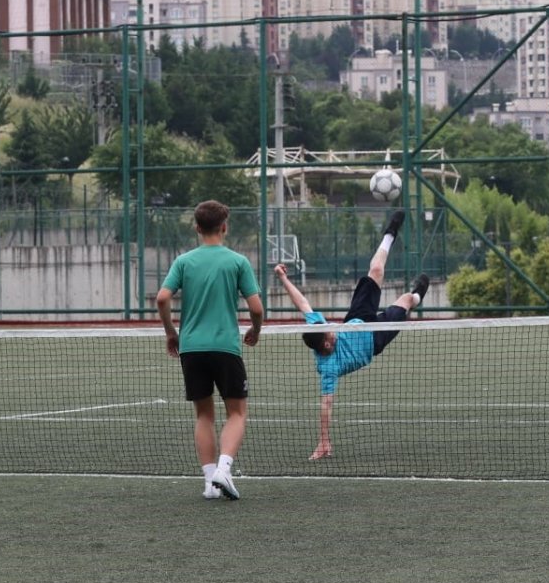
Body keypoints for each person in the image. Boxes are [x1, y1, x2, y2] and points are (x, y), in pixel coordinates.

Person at [273, 210, 428, 460]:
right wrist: (324, 441)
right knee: (407, 300)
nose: (331, 329)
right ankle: (419, 295)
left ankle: (390, 232)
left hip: (357, 320)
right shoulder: (328, 368)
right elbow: (326, 404)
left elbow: (301, 302)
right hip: (375, 339)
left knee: (376, 268)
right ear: (325, 344)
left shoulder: (318, 326)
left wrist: (282, 277)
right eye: (330, 334)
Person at [156, 200, 263, 501]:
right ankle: (224, 470)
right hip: (226, 348)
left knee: (203, 415)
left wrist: (170, 332)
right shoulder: (237, 262)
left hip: (191, 349)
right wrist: (255, 329)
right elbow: (256, 307)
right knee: (237, 413)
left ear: (197, 227)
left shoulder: (184, 261)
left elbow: (163, 298)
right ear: (225, 226)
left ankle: (208, 483)